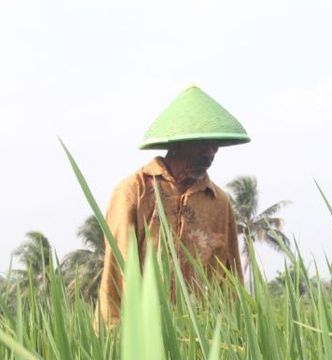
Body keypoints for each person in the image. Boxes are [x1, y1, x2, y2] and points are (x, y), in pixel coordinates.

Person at [94, 85, 248, 327]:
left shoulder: (219, 203)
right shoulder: (134, 192)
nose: (210, 152)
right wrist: (115, 334)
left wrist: (236, 330)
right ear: (177, 144)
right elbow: (116, 269)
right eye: (202, 143)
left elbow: (231, 277)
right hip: (144, 331)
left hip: (200, 334)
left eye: (215, 144)